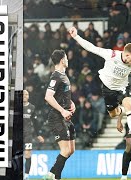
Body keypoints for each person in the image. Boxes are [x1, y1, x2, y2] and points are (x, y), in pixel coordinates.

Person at [69, 27, 131, 149]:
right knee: (113, 114)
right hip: (108, 89)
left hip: (122, 89)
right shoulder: (111, 54)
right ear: (126, 54)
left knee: (130, 107)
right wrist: (76, 36)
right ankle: (121, 111)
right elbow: (91, 48)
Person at [43, 50, 76, 180]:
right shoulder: (56, 76)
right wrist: (62, 111)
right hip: (57, 117)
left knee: (71, 150)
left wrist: (71, 103)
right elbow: (48, 96)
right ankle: (53, 176)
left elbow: (61, 95)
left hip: (66, 118)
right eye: (66, 58)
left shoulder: (63, 75)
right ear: (62, 60)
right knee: (65, 150)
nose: (67, 60)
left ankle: (53, 174)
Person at [23, 90, 44, 180]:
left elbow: (35, 122)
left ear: (28, 96)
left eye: (27, 94)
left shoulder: (32, 107)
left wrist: (38, 134)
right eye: (23, 94)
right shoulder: (15, 107)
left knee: (28, 154)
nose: (25, 95)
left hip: (27, 135)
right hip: (16, 135)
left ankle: (26, 176)